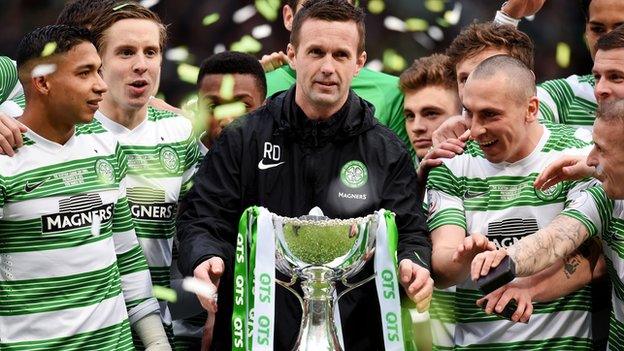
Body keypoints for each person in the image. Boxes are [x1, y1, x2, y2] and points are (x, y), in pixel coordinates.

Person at [177, 1, 433, 349]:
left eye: (340, 55)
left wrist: (412, 263)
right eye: (316, 52)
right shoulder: (243, 138)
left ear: (359, 63)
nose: (328, 67)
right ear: (293, 55)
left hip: (354, 332)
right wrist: (207, 255)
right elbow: (204, 215)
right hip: (259, 333)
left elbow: (409, 230)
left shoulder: (385, 150)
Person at [1, 24, 169, 350]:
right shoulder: (6, 159)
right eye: (84, 73)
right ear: (42, 82)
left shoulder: (103, 144)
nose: (101, 86)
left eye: (99, 72)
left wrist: (156, 343)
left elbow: (127, 255)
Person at [427, 55, 597, 350]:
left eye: (490, 115)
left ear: (531, 109)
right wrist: (463, 257)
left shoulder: (580, 152)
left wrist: (524, 281)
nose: (476, 129)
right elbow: (442, 269)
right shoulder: (452, 163)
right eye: (469, 113)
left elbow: (593, 258)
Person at [87, 3, 201, 348]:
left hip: (159, 331)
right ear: (98, 63)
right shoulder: (68, 132)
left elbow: (201, 223)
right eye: (125, 52)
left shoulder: (180, 132)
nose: (141, 64)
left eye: (151, 52)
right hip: (89, 332)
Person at [471, 98, 624, 350]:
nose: (590, 159)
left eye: (600, 148)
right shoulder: (606, 196)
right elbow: (557, 237)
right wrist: (507, 260)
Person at [170, 51, 267, 351]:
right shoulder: (169, 168)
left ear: (265, 106)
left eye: (242, 105)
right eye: (214, 105)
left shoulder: (282, 169)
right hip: (177, 333)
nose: (228, 117)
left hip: (259, 331)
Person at [263, 0, 413, 158]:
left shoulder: (394, 92)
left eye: (340, 4)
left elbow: (405, 173)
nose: (327, 10)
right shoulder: (259, 85)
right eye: (312, 4)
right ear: (289, 17)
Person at [398, 53, 461, 351]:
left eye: (431, 113)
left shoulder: (488, 172)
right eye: (410, 115)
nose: (417, 127)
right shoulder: (394, 177)